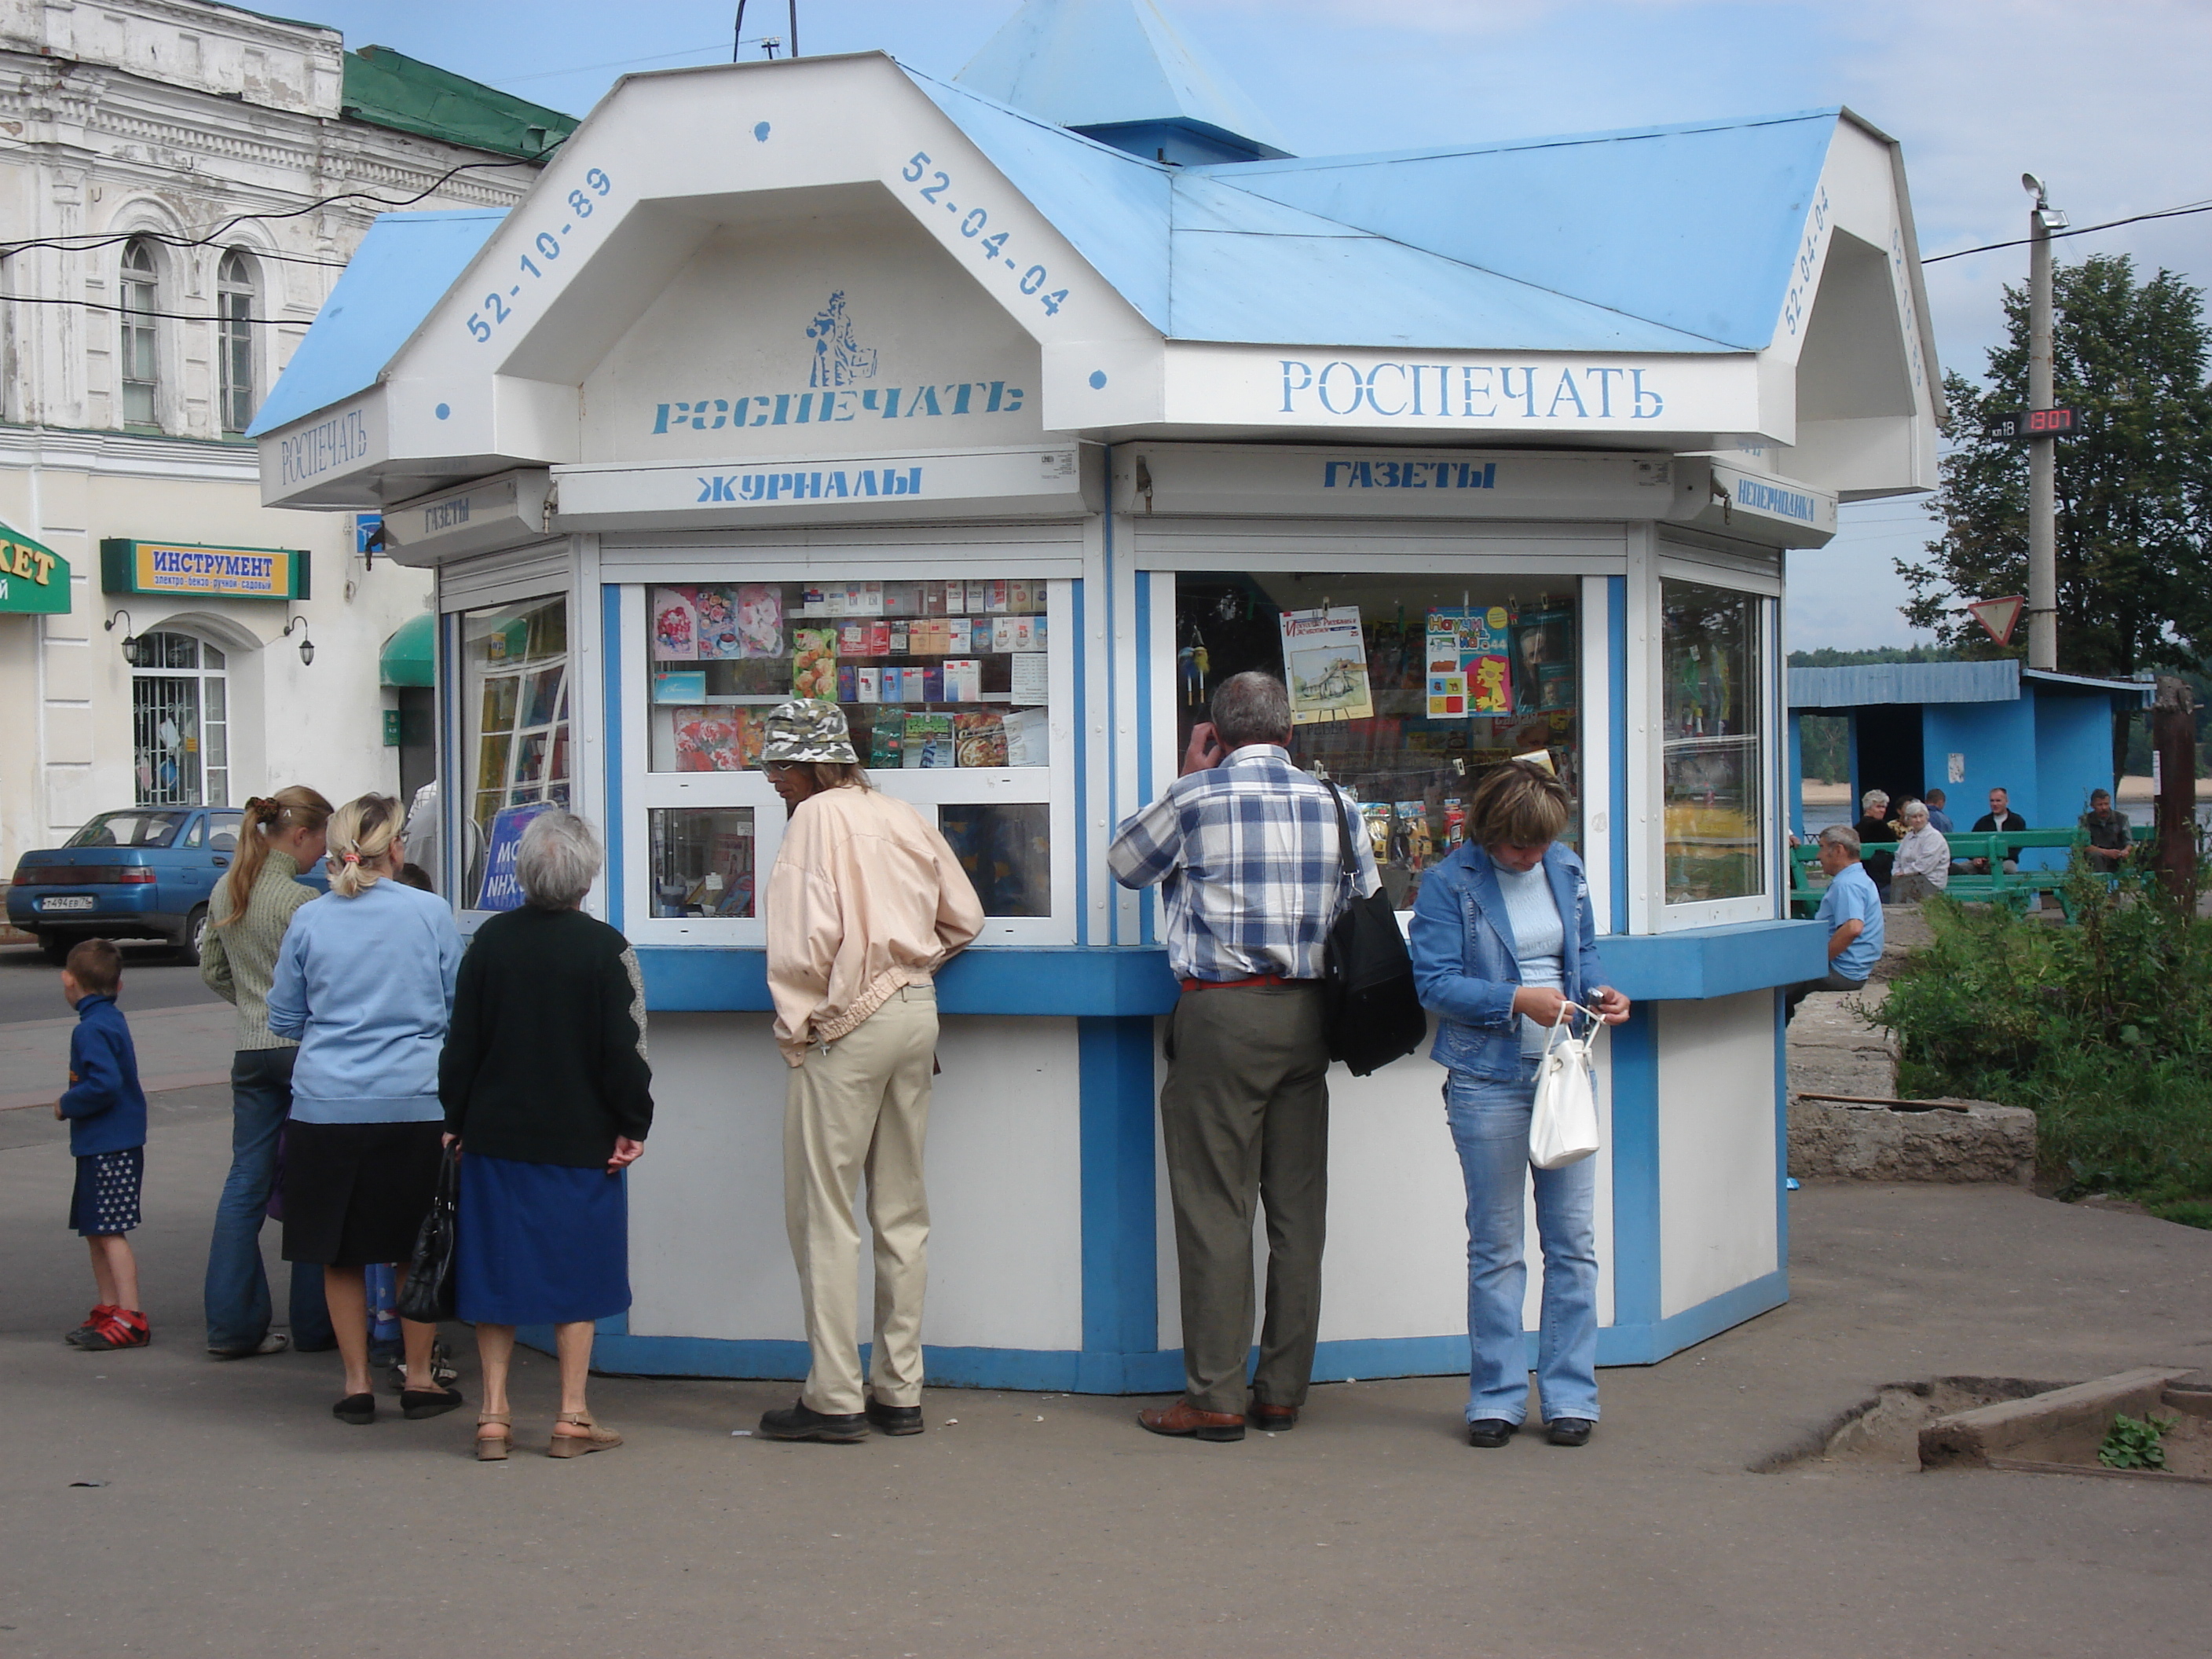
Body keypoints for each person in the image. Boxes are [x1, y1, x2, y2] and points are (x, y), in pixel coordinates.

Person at [1108, 672, 1381, 1443]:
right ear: (1289, 734)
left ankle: (1216, 1395)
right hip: (1307, 1017)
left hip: (1220, 1015)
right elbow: (1363, 899)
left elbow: (1124, 862)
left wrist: (1188, 775)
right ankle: (1280, 1392)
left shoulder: (1195, 799)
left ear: (1217, 735)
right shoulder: (1336, 805)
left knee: (1214, 1210)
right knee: (1297, 1218)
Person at [756, 701, 984, 1444]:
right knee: (901, 1210)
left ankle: (833, 1397)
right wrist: (906, 972)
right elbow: (965, 917)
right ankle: (900, 1391)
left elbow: (799, 945)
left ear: (813, 764)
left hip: (846, 1026)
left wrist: (803, 1027)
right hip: (917, 1016)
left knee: (823, 1214)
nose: (773, 783)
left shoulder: (813, 822)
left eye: (780, 767)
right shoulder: (901, 814)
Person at [1407, 762, 1631, 1448]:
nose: (1530, 858)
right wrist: (1515, 999)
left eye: (1539, 847)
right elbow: (1434, 984)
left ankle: (1570, 1398)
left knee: (1574, 1245)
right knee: (1498, 1248)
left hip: (1565, 1071)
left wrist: (1601, 993)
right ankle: (1496, 1400)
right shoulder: (1449, 883)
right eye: (1516, 849)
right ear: (1487, 832)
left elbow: (1582, 952)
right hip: (1487, 1079)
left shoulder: (1566, 868)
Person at [441, 811, 654, 1460]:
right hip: (579, 1142)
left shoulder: (488, 944)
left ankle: (494, 1417)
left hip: (496, 1139)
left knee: (495, 1278)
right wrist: (632, 1125)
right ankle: (571, 1416)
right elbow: (627, 1051)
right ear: (585, 877)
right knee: (575, 1279)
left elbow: (461, 1045)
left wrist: (455, 1120)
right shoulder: (607, 948)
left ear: (525, 873)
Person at [267, 793, 465, 1427]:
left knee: (340, 1251)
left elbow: (284, 1017)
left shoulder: (311, 920)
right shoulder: (430, 912)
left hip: (326, 1106)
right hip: (413, 1102)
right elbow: (456, 1001)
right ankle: (417, 1378)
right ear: (396, 848)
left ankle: (355, 1383)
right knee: (415, 1245)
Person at [199, 787, 337, 1361]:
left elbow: (212, 970)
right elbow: (327, 980)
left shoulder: (226, 888)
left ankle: (232, 1325)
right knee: (311, 1184)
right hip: (302, 1048)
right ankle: (314, 1323)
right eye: (322, 841)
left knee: (245, 1184)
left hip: (250, 1051)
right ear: (300, 835)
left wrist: (253, 1007)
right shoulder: (300, 902)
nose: (323, 854)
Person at [56, 939, 151, 1351]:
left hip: (108, 1144)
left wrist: (67, 1104)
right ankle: (110, 1307)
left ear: (68, 981)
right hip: (105, 1143)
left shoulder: (91, 1028)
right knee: (96, 1229)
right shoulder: (110, 1018)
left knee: (110, 1231)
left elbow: (104, 1084)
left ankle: (130, 1315)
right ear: (119, 985)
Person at [1785, 825, 1884, 1020]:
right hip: (1855, 970)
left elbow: (1853, 928)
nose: (1818, 856)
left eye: (1821, 847)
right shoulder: (1860, 878)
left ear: (1838, 850)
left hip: (1842, 972)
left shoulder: (1847, 884)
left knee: (1774, 990)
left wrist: (1817, 961)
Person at [1886, 799, 1950, 904]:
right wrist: (1896, 871)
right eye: (1914, 817)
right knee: (1897, 881)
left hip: (1931, 880)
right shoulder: (1909, 836)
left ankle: (1901, 911)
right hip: (1909, 878)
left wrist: (1904, 872)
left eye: (1921, 816)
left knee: (1902, 884)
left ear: (1926, 817)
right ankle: (1897, 911)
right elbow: (1898, 857)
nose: (1918, 820)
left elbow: (1925, 865)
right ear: (1908, 819)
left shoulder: (1933, 837)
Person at [1968, 786, 2027, 874]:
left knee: (2009, 869)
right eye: (1992, 801)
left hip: (2007, 860)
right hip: (1983, 863)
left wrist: (1997, 856)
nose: (1994, 804)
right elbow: (1972, 843)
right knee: (1961, 868)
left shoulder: (2017, 821)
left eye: (1998, 801)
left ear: (2006, 802)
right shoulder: (1983, 822)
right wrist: (1976, 858)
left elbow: (2017, 846)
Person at [1851, 789, 1896, 898]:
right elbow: (1894, 849)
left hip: (1862, 873)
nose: (1882, 810)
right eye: (1879, 807)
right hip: (1880, 876)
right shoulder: (1880, 826)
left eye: (1884, 807)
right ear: (1868, 808)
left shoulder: (1857, 828)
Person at [2080, 789, 2131, 872]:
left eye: (2106, 804)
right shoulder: (2085, 820)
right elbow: (2084, 845)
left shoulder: (2121, 818)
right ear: (2092, 806)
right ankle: (2101, 884)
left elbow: (2129, 842)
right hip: (2096, 857)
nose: (2104, 808)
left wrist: (2126, 851)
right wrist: (2107, 852)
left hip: (2117, 856)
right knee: (2095, 856)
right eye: (2100, 805)